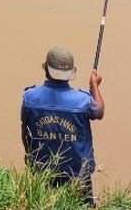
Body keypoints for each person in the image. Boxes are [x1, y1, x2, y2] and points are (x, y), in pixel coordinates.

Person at [20, 46, 105, 198]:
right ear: (72, 73)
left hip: (41, 170)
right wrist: (94, 87)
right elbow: (98, 112)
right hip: (78, 174)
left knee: (41, 208)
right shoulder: (83, 101)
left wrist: (29, 156)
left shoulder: (29, 98)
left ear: (45, 68)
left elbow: (25, 131)